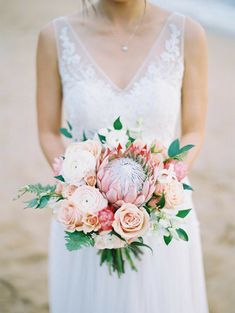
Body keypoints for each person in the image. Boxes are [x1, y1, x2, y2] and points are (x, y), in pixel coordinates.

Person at [36, 0, 209, 312]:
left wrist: (162, 187)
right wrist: (78, 186)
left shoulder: (187, 34)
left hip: (163, 216)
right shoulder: (54, 37)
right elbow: (48, 132)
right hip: (86, 216)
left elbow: (194, 131)